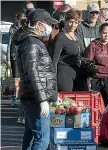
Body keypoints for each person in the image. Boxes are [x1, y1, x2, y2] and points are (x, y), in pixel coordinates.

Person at [13, 8, 58, 149]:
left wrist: (51, 95)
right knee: (42, 139)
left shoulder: (30, 41)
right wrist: (42, 100)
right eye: (48, 23)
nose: (51, 27)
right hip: (34, 99)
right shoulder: (31, 43)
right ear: (39, 24)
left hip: (31, 97)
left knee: (30, 134)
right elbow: (32, 73)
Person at [52, 9, 87, 92]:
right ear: (66, 21)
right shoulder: (60, 37)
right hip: (64, 72)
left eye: (76, 22)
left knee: (82, 99)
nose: (73, 25)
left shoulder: (77, 36)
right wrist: (53, 78)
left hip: (78, 72)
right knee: (67, 100)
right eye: (70, 22)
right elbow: (54, 59)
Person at [86, 23, 108, 106]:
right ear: (100, 33)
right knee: (96, 104)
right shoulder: (93, 45)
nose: (106, 35)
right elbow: (89, 62)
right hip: (96, 79)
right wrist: (89, 78)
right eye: (104, 33)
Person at [7, 12, 26, 105]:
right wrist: (7, 57)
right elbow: (10, 43)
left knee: (23, 77)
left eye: (24, 18)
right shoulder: (13, 28)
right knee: (15, 78)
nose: (22, 20)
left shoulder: (26, 27)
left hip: (23, 54)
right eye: (21, 18)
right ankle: (14, 97)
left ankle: (22, 96)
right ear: (17, 19)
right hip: (14, 55)